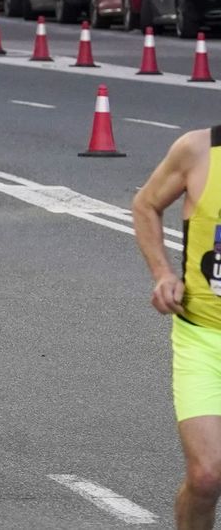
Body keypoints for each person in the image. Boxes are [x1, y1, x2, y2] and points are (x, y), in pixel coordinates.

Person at [132, 126, 221, 530]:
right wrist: (163, 274)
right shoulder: (198, 150)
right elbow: (146, 204)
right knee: (206, 476)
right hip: (203, 338)